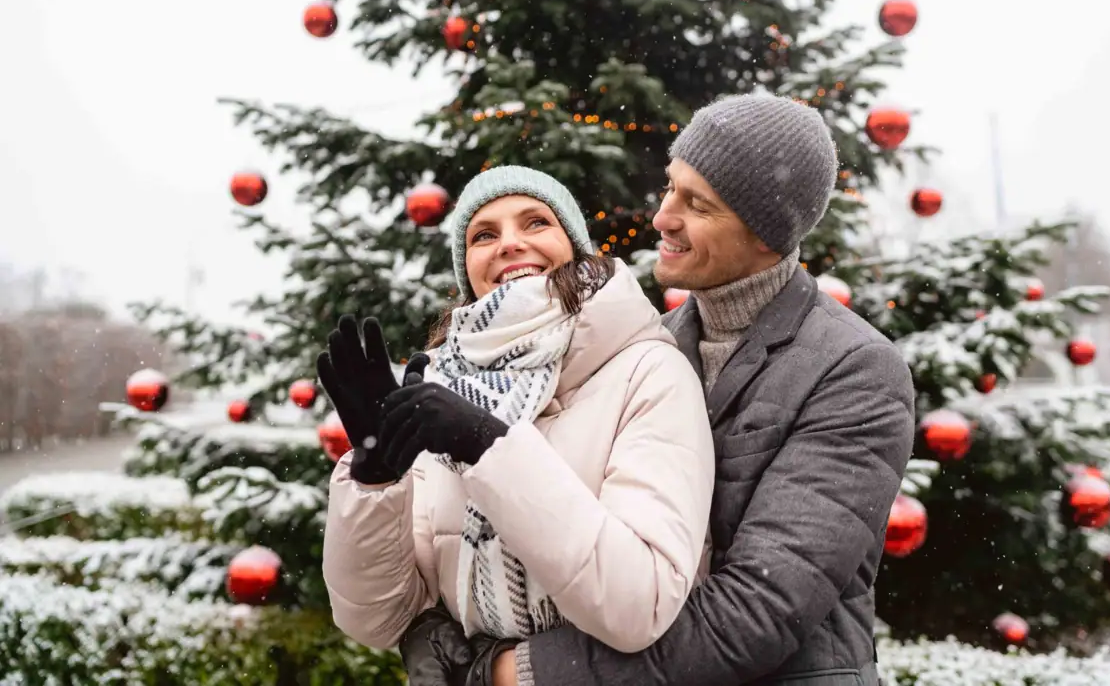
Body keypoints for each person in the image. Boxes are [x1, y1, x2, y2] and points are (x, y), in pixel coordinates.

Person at [402, 93, 917, 686]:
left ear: (767, 235)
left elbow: (755, 613)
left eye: (697, 204)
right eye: (671, 186)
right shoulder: (643, 347)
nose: (662, 217)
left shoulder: (853, 370)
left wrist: (512, 671)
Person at [317, 166, 716, 675]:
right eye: (484, 234)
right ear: (468, 268)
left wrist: (489, 447)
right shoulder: (439, 391)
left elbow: (639, 605)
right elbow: (378, 620)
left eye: (535, 223)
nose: (509, 244)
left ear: (574, 245)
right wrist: (375, 480)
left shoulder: (648, 371)